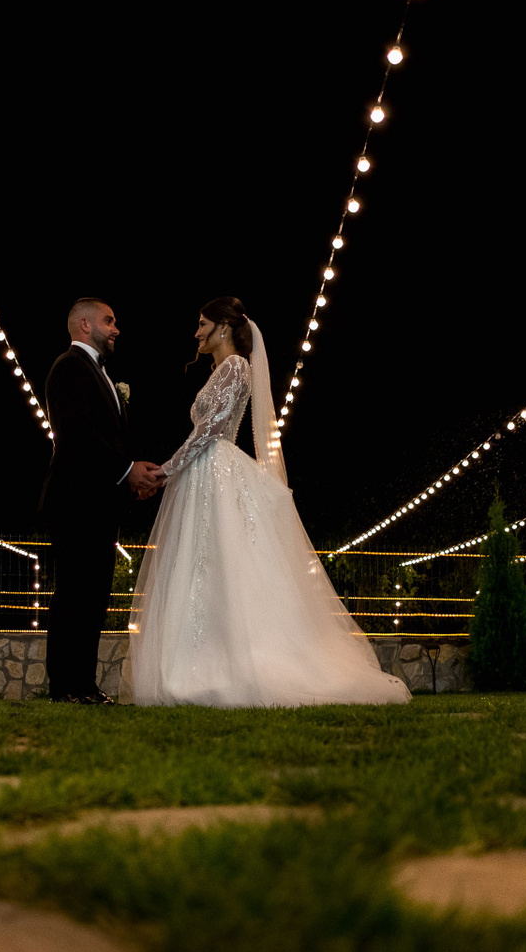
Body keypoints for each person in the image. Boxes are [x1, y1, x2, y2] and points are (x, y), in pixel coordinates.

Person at [127, 297, 409, 707]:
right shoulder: (221, 370)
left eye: (203, 324)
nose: (197, 333)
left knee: (222, 563)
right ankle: (202, 664)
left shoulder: (235, 366)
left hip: (216, 469)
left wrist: (166, 470)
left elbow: (211, 430)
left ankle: (232, 667)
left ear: (224, 327)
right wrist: (172, 473)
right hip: (206, 472)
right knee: (204, 566)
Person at [39, 298, 165, 703]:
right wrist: (127, 470)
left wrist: (130, 479)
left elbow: (109, 440)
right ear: (84, 325)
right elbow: (77, 435)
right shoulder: (69, 367)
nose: (116, 329)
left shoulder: (99, 372)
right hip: (75, 501)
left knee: (93, 598)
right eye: (109, 321)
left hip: (99, 501)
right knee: (74, 594)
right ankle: (65, 688)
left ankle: (84, 686)